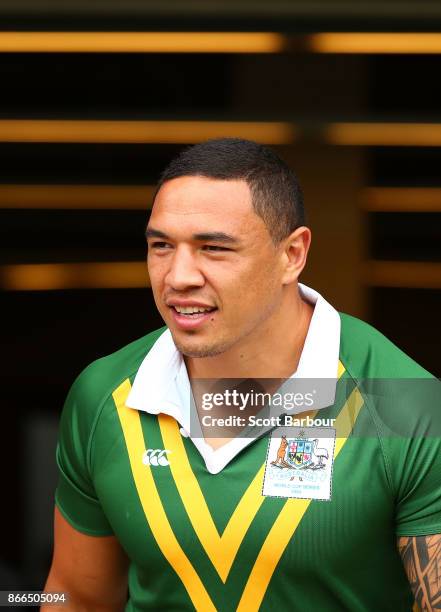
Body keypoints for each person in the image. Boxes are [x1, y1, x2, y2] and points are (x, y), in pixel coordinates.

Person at [43, 138, 441, 611]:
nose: (178, 276)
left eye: (213, 248)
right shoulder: (104, 396)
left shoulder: (403, 404)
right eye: (161, 246)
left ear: (292, 254)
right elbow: (78, 598)